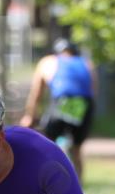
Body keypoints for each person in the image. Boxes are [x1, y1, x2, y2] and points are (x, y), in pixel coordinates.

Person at [20, 38, 97, 182]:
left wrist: (30, 115)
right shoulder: (87, 63)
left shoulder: (48, 61)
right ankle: (78, 185)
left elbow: (36, 93)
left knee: (47, 144)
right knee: (76, 149)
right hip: (84, 104)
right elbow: (93, 90)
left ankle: (44, 182)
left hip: (63, 101)